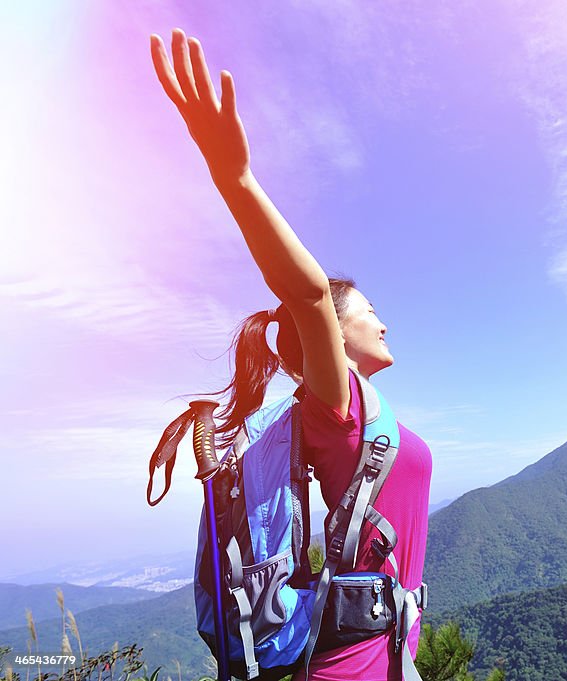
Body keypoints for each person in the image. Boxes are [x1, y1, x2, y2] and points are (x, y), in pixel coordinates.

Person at [150, 28, 432, 681]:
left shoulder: (349, 416)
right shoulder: (337, 410)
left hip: (378, 659)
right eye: (369, 311)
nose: (384, 323)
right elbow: (306, 294)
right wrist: (238, 180)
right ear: (333, 336)